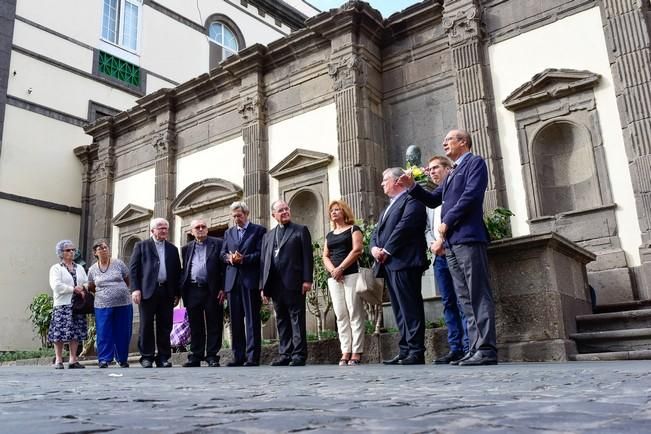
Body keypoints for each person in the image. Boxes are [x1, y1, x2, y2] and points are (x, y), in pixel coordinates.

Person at [399, 129, 497, 366]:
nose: (444, 142)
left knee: (477, 295)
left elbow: (471, 196)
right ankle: (474, 348)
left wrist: (447, 220)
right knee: (464, 298)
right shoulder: (453, 173)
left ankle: (486, 348)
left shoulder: (475, 163)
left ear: (463, 142)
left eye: (449, 139)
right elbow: (434, 199)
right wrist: (412, 186)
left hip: (468, 238)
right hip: (452, 243)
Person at [372, 168, 428, 366]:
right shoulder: (388, 206)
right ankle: (405, 349)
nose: (381, 184)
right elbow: (376, 232)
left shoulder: (412, 200)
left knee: (410, 307)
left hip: (405, 261)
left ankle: (416, 351)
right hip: (389, 264)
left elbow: (405, 227)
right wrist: (374, 249)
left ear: (397, 181)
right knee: (399, 309)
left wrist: (386, 250)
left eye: (385, 179)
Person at [424, 156, 469, 364]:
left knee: (463, 300)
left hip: (453, 248)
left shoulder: (454, 191)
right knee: (448, 302)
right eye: (430, 169)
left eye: (436, 168)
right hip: (438, 255)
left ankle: (469, 346)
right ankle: (455, 347)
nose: (432, 172)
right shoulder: (433, 198)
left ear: (448, 169)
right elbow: (428, 228)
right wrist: (434, 244)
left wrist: (443, 241)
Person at [260, 200, 314, 366]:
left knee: (297, 318)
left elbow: (307, 256)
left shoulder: (300, 230)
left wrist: (307, 279)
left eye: (286, 209)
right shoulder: (268, 236)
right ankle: (285, 353)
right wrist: (263, 286)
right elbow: (264, 262)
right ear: (273, 215)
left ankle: (299, 354)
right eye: (280, 210)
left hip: (294, 282)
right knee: (281, 319)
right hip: (275, 284)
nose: (284, 212)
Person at [129, 217, 182, 368]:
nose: (164, 230)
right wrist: (135, 289)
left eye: (166, 228)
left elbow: (177, 271)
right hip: (147, 291)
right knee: (146, 325)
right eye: (160, 228)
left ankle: (163, 357)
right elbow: (134, 269)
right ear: (152, 230)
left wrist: (177, 293)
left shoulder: (172, 249)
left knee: (165, 325)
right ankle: (147, 356)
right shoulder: (141, 246)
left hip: (166, 291)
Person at [221, 202, 266, 367]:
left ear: (246, 214)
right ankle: (237, 357)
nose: (236, 219)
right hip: (232, 281)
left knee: (252, 320)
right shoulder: (228, 232)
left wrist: (244, 259)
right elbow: (222, 253)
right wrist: (229, 258)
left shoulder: (258, 230)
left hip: (250, 280)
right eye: (233, 216)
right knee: (236, 320)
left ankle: (253, 357)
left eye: (239, 215)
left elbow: (261, 254)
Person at [322, 199, 364, 366]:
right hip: (334, 278)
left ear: (344, 212)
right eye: (332, 210)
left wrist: (341, 268)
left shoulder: (354, 229)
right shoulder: (329, 235)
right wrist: (333, 270)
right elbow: (325, 255)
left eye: (337, 209)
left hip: (351, 274)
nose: (334, 212)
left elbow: (357, 250)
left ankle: (356, 352)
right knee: (340, 315)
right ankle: (345, 350)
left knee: (354, 312)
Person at [179, 218, 225, 367]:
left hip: (212, 289)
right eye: (197, 227)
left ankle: (212, 356)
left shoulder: (218, 243)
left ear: (207, 229)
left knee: (214, 323)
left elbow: (224, 268)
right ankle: (196, 356)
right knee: (195, 324)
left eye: (203, 226)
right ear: (191, 232)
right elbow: (184, 269)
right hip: (192, 290)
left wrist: (223, 288)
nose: (200, 229)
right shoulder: (186, 248)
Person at [87, 240, 133, 368]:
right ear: (95, 252)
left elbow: (127, 279)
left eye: (105, 247)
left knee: (123, 331)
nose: (103, 250)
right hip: (102, 305)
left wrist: (119, 290)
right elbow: (91, 286)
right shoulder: (92, 269)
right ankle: (104, 359)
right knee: (104, 332)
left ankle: (122, 359)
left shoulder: (119, 263)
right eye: (100, 248)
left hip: (123, 303)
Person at [48, 240, 88, 369]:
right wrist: (73, 289)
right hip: (62, 304)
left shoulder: (80, 268)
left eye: (73, 250)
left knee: (76, 332)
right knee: (59, 333)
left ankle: (73, 359)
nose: (72, 252)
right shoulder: (56, 268)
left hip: (77, 304)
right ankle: (58, 360)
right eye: (68, 250)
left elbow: (86, 282)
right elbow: (56, 286)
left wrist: (83, 288)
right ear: (61, 253)